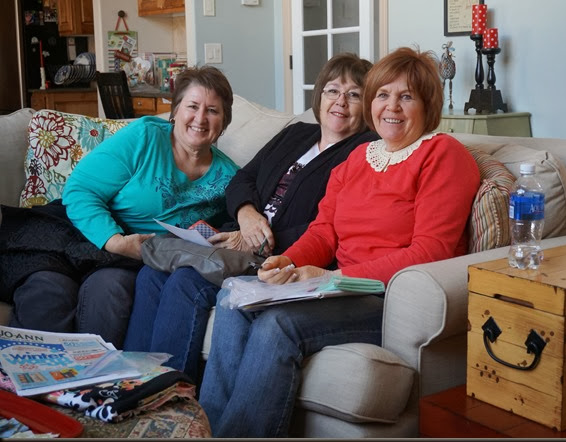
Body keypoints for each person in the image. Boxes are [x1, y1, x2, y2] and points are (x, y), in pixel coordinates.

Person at [197, 46, 481, 437]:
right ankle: (210, 431)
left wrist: (333, 277)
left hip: (385, 298)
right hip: (335, 287)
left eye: (406, 97)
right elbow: (324, 231)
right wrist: (287, 261)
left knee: (278, 325)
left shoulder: (442, 154)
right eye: (383, 95)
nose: (391, 107)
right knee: (234, 296)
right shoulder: (358, 158)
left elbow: (431, 251)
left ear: (428, 105)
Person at [122, 53, 379, 383]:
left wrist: (260, 239)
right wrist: (246, 214)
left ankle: (167, 391)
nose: (340, 101)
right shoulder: (297, 134)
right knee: (152, 273)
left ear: (367, 105)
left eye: (353, 94)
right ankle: (130, 383)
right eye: (332, 90)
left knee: (187, 281)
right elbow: (243, 178)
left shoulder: (365, 151)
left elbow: (335, 224)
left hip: (278, 255)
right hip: (238, 235)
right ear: (320, 95)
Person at [6, 66, 239, 348]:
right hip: (76, 234)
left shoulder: (228, 177)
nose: (200, 118)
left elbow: (238, 220)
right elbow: (80, 190)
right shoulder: (145, 137)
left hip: (129, 260)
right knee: (49, 292)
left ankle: (98, 375)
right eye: (192, 106)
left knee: (110, 289)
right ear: (175, 111)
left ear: (224, 122)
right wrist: (114, 241)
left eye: (212, 111)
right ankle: (32, 376)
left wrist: (242, 222)